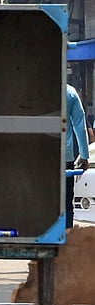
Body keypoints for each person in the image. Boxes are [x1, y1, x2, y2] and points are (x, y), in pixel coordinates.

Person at [67, 84, 90, 227]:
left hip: (39, 156)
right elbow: (79, 126)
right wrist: (84, 155)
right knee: (66, 202)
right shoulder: (70, 92)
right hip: (65, 157)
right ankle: (66, 236)